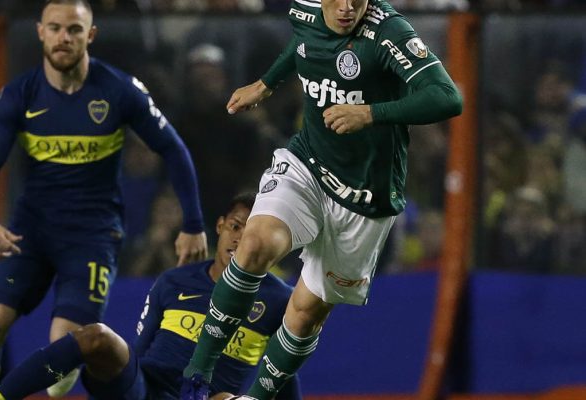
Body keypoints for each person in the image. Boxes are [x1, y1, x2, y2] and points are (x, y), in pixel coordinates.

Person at [179, 0, 463, 398]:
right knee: (256, 242)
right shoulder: (305, 10)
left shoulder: (389, 32)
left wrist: (372, 112)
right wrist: (265, 84)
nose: (347, 8)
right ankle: (196, 375)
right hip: (307, 164)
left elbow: (448, 97)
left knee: (306, 311)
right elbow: (302, 43)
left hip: (364, 196)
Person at [0, 0, 208, 398]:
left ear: (90, 35)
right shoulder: (19, 96)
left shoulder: (119, 90)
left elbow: (173, 149)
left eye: (74, 30)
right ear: (41, 32)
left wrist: (193, 224)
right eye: (56, 28)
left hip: (92, 235)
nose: (64, 37)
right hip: (31, 231)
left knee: (63, 374)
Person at [0, 193, 300, 400]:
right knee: (97, 336)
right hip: (145, 390)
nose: (240, 239)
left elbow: (284, 373)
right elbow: (140, 350)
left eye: (252, 234)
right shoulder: (174, 281)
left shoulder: (279, 300)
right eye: (235, 226)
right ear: (219, 226)